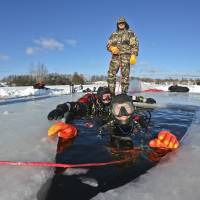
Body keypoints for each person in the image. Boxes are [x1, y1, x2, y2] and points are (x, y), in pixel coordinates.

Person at [107, 17, 139, 95]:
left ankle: (124, 94)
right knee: (111, 75)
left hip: (126, 57)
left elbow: (135, 45)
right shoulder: (113, 34)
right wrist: (111, 48)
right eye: (119, 23)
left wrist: (134, 55)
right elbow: (108, 45)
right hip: (115, 57)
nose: (121, 24)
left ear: (125, 24)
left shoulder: (130, 33)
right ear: (117, 24)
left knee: (125, 76)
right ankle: (111, 94)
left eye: (122, 23)